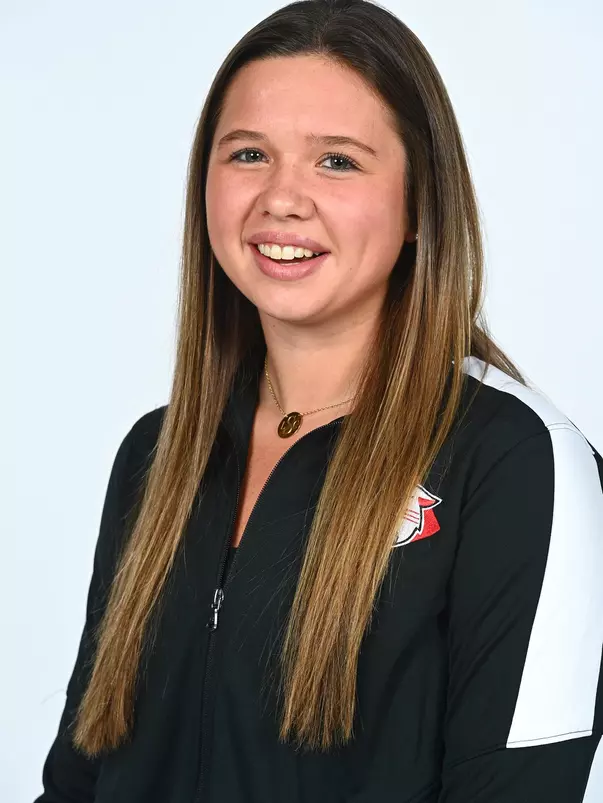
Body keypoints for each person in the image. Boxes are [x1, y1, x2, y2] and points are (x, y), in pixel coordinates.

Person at [34, 1, 602, 801]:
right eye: (247, 155)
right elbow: (77, 781)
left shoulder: (515, 462)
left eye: (336, 161)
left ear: (419, 204)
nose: (280, 198)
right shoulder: (155, 457)